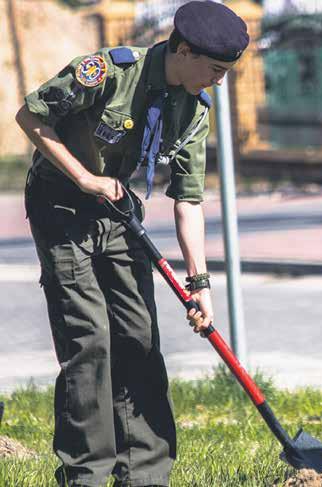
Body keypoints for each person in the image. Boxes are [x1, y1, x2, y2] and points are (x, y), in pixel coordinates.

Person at [15, 2, 249, 486]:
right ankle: (86, 472)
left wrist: (200, 282)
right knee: (89, 341)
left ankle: (144, 472)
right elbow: (31, 116)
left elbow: (188, 200)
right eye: (216, 70)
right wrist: (83, 178)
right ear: (184, 51)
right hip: (61, 206)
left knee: (138, 338)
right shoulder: (109, 72)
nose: (219, 82)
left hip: (118, 211)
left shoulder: (192, 109)